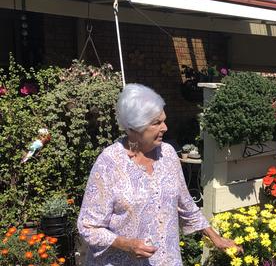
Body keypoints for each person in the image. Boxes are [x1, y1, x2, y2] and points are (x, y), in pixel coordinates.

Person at [78, 83, 240, 265]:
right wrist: (127, 244)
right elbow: (88, 226)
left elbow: (186, 204)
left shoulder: (168, 154)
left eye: (164, 120)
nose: (165, 128)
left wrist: (216, 238)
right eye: (156, 123)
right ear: (133, 128)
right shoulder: (109, 163)